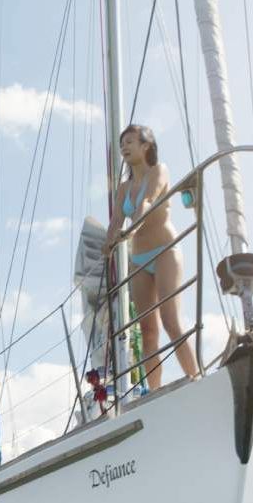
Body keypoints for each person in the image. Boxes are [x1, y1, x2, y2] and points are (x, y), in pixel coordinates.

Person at [104, 124, 199, 391]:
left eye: (131, 141)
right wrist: (109, 242)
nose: (124, 146)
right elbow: (115, 222)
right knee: (148, 332)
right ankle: (155, 394)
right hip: (139, 260)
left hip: (165, 250)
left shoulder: (159, 170)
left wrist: (132, 228)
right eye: (122, 143)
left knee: (171, 321)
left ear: (146, 146)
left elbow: (148, 199)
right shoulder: (123, 189)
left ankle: (196, 377)